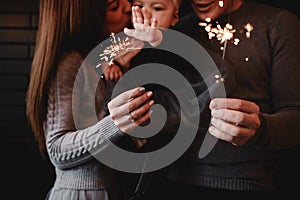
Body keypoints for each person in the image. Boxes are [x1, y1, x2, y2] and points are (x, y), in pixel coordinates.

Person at [124, 0, 300, 198]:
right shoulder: (172, 29)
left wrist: (260, 129)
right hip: (167, 180)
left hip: (244, 184)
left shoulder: (278, 24)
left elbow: (295, 117)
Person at [25, 0, 154, 199]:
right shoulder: (70, 62)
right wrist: (116, 124)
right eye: (113, 6)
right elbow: (57, 150)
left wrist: (124, 69)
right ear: (88, 15)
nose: (128, 7)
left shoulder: (104, 61)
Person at [103, 0, 182, 83]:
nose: (146, 14)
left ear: (174, 17)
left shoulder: (176, 40)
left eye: (157, 8)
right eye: (139, 6)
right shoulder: (124, 36)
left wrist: (157, 39)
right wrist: (112, 64)